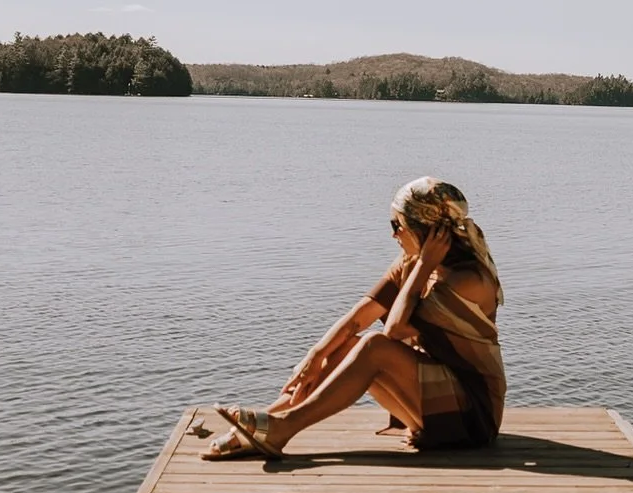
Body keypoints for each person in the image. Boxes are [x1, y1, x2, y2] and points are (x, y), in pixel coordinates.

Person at [206, 176, 505, 460]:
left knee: (374, 346)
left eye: (397, 225)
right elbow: (358, 317)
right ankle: (266, 422)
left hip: (473, 415)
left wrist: (424, 266)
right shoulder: (412, 263)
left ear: (423, 230)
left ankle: (283, 428)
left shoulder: (468, 280)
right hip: (436, 399)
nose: (393, 234)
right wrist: (315, 356)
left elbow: (394, 330)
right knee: (348, 344)